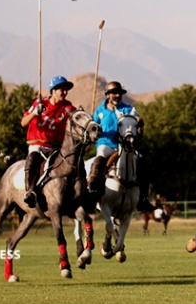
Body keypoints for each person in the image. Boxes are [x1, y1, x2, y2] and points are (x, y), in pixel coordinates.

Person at [88, 81, 150, 211]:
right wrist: (93, 129)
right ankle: (93, 193)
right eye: (114, 93)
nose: (117, 95)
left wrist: (139, 121)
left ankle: (143, 198)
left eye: (119, 93)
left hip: (124, 146)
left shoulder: (127, 109)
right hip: (106, 144)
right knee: (99, 161)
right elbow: (92, 128)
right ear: (107, 95)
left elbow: (136, 118)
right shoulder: (99, 111)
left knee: (143, 162)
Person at [20, 75, 76, 208]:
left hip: (56, 147)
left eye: (66, 90)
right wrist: (35, 113)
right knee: (33, 158)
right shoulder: (40, 103)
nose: (65, 92)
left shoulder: (68, 107)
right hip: (37, 145)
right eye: (61, 89)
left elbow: (77, 119)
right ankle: (30, 193)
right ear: (53, 91)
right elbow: (23, 123)